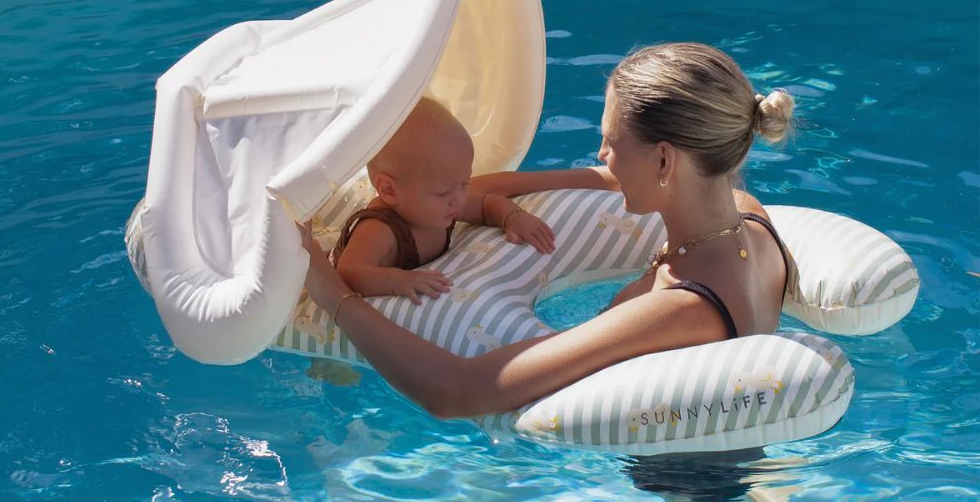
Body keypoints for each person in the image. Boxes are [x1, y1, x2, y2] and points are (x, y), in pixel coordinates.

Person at [300, 42, 795, 418]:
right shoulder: (749, 219)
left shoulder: (679, 308)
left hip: (685, 488)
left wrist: (333, 296)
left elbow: (456, 392)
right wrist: (487, 196)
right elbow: (571, 181)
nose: (602, 155)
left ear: (664, 161)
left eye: (610, 142)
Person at [331, 97, 556, 303]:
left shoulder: (441, 205)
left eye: (465, 183)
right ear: (390, 190)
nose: (460, 198)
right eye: (443, 191)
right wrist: (397, 280)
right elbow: (349, 272)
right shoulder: (380, 230)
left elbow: (485, 205)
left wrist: (512, 217)